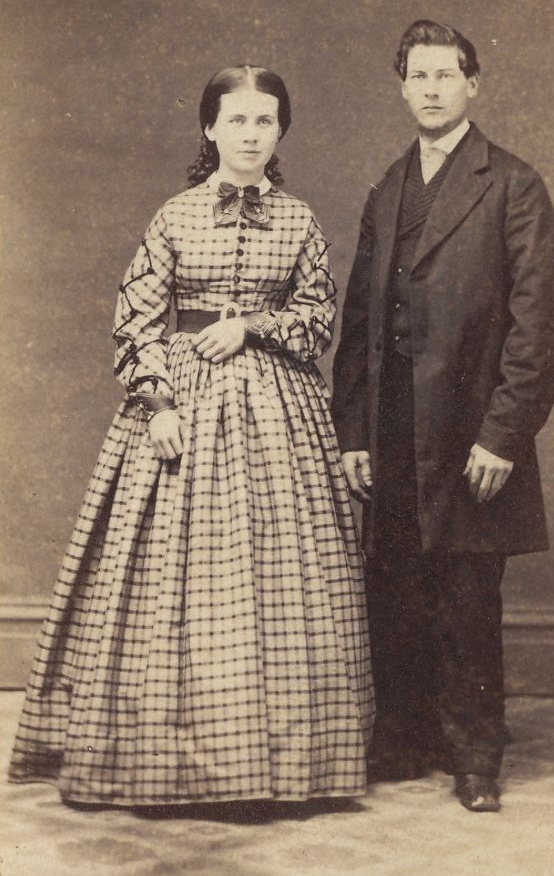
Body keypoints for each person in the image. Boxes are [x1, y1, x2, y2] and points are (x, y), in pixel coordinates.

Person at [9, 65, 374, 807]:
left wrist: (253, 326)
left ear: (281, 131)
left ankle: (283, 765)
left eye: (265, 121)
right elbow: (136, 320)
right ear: (210, 128)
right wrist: (159, 405)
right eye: (236, 120)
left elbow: (317, 319)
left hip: (280, 411)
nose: (251, 135)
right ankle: (167, 759)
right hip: (185, 401)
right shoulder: (174, 217)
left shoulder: (300, 221)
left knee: (283, 578)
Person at [331, 20, 554, 812]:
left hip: (472, 432)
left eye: (445, 75)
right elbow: (359, 325)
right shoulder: (388, 188)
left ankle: (475, 756)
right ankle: (404, 739)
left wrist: (503, 435)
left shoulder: (512, 185)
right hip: (393, 429)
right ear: (402, 88)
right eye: (418, 76)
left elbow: (543, 325)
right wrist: (354, 433)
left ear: (473, 84)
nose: (431, 89)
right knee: (395, 586)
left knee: (468, 594)